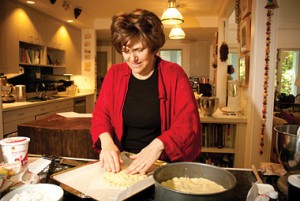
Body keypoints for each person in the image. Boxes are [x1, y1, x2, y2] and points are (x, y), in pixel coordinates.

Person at [90, 9, 201, 175]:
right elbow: (101, 114)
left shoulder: (174, 74)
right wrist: (106, 142)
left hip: (161, 162)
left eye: (139, 50)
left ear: (153, 47)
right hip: (124, 163)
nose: (132, 59)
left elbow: (188, 123)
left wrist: (158, 146)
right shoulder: (115, 74)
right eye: (126, 51)